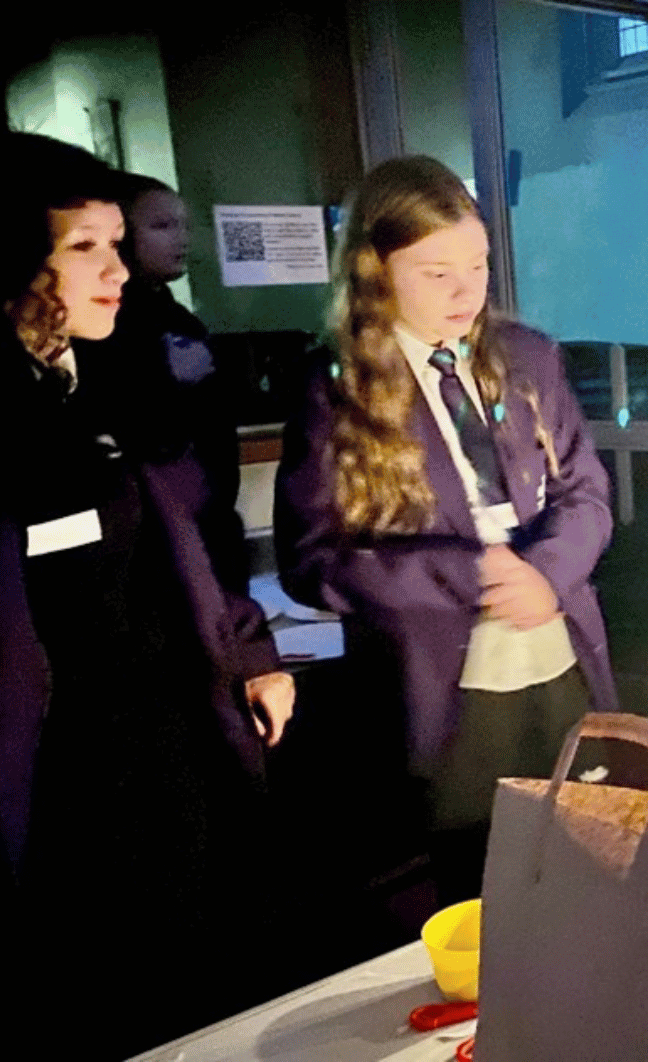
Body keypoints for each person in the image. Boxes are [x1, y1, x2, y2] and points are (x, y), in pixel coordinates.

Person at [0, 133, 295, 1055]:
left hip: (170, 726)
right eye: (84, 246)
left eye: (119, 243)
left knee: (207, 961)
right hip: (58, 767)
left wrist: (248, 653)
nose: (117, 269)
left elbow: (192, 545)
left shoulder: (111, 379)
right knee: (105, 986)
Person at [275, 155, 618, 901]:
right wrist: (465, 575)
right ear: (376, 270)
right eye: (436, 273)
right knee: (478, 884)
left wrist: (548, 571)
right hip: (441, 682)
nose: (468, 292)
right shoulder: (335, 388)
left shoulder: (526, 358)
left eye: (479, 265)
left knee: (587, 856)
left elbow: (588, 493)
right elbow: (313, 561)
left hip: (557, 657)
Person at [74, 173, 249, 591]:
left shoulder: (178, 319)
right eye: (162, 226)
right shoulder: (103, 328)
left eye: (184, 226)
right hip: (152, 544)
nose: (181, 239)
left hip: (208, 524)